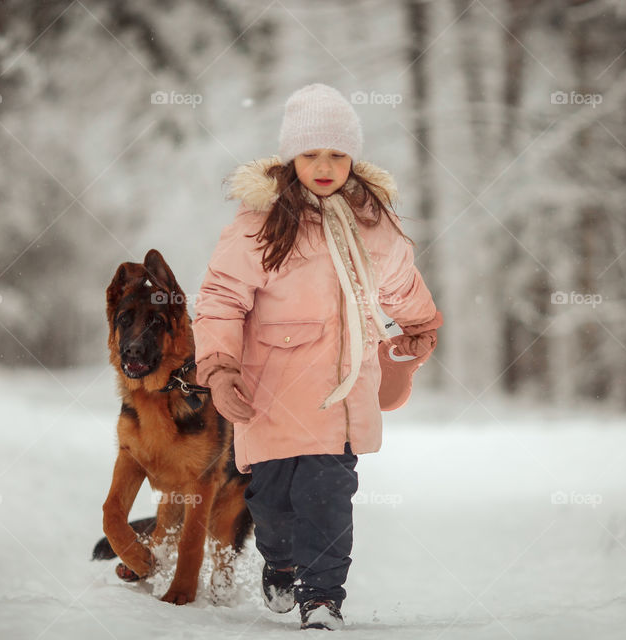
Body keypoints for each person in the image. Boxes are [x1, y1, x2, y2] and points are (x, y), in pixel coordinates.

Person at [191, 83, 443, 631]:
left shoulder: (373, 224)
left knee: (328, 494)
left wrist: (420, 320)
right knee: (274, 499)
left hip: (342, 389)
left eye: (336, 154)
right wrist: (220, 366)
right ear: (290, 160)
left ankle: (323, 597)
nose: (324, 166)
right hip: (271, 389)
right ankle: (280, 562)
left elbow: (399, 280)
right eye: (311, 154)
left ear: (352, 157)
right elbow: (220, 301)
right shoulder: (259, 225)